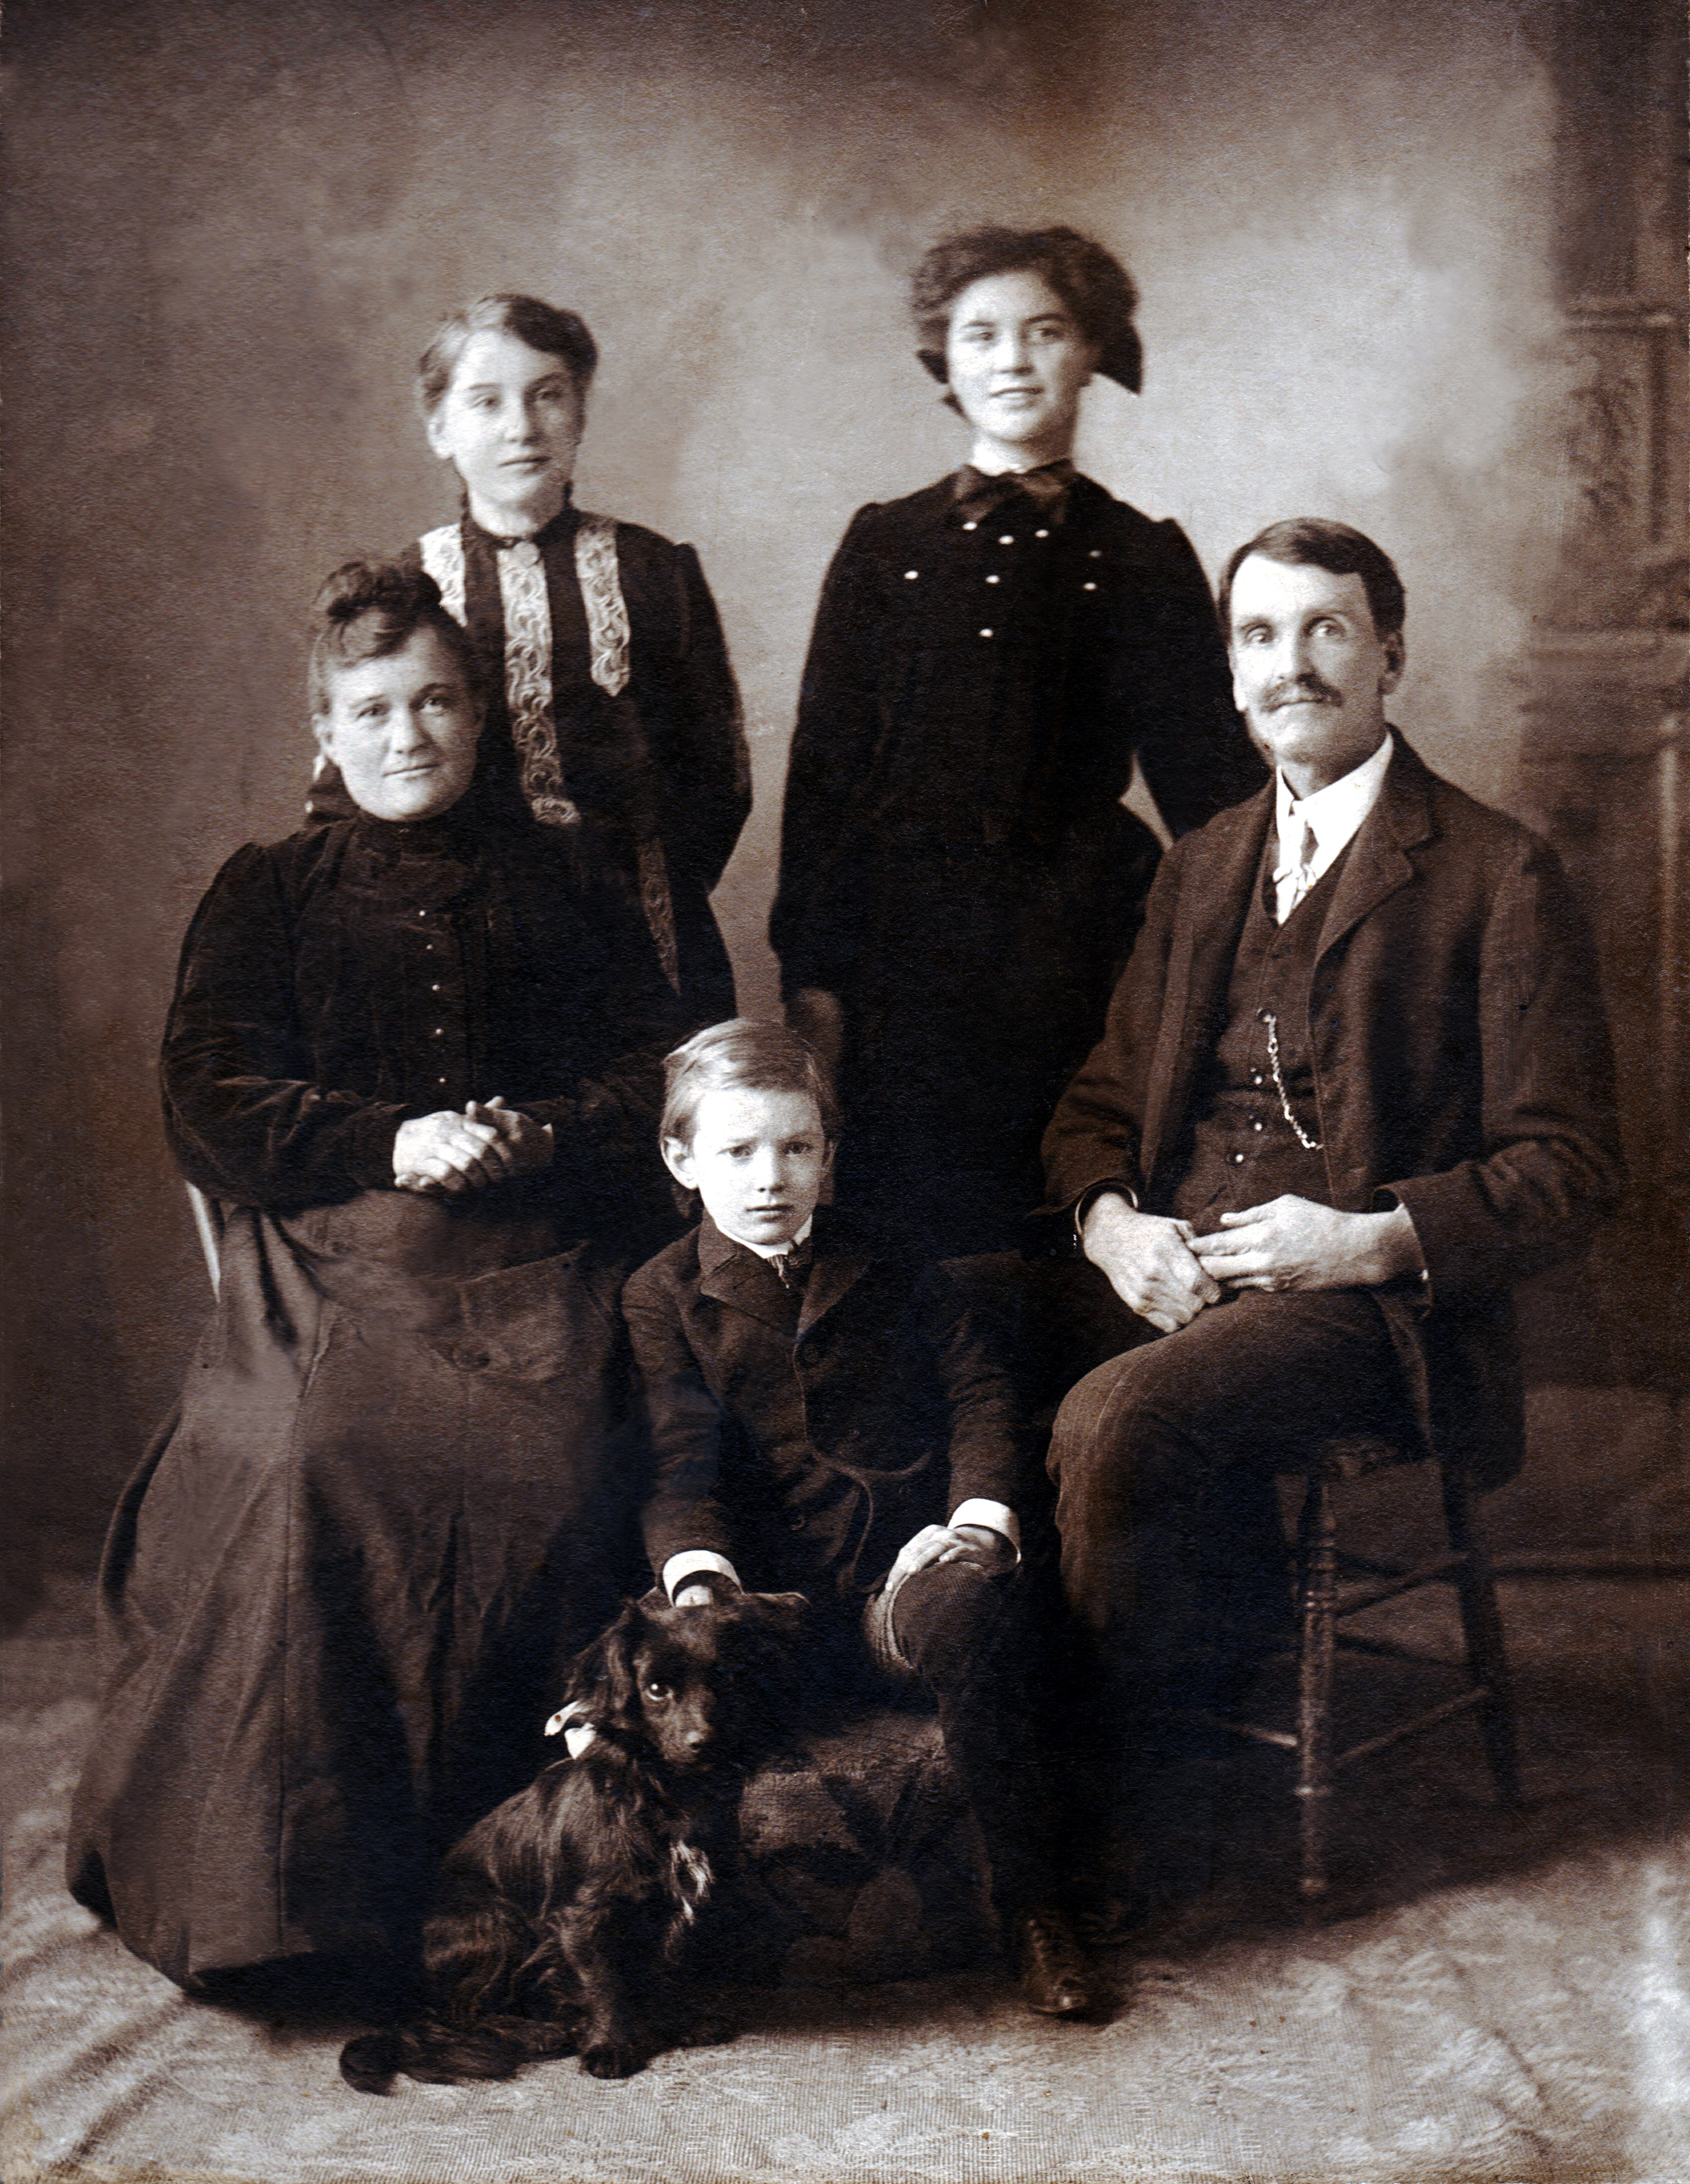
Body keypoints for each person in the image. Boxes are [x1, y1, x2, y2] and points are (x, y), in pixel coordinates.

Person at [68, 562, 686, 2002]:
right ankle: (295, 1901)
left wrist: (535, 1130)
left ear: (478, 716)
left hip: (540, 1253)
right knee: (315, 1461)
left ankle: (518, 1874)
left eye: (434, 702)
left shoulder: (567, 876)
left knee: (560, 1455)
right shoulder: (268, 889)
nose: (407, 734)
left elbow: (652, 1069)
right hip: (333, 1260)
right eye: (372, 709)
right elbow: (206, 1096)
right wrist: (387, 1138)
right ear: (324, 733)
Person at [1037, 517, 1625, 1889]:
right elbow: (1094, 1113)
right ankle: (974, 1771)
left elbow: (1568, 1167)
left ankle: (1089, 1842)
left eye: (1323, 629)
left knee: (1116, 1414)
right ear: (1228, 672)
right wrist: (1113, 1231)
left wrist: (1362, 1241)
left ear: (1388, 656)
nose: (1287, 664)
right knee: (935, 1326)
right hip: (1178, 1264)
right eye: (1256, 635)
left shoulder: (1495, 873)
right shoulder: (1199, 868)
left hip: (1371, 1313)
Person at [771, 225, 1264, 1255]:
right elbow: (823, 778)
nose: (1011, 359)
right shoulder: (884, 544)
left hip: (1077, 953)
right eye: (981, 334)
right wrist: (813, 981)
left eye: (1045, 332)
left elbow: (1212, 792)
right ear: (943, 361)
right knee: (905, 1231)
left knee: (1062, 1213)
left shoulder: (1140, 555)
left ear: (1092, 354)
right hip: (901, 957)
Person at [623, 1021, 1097, 2016]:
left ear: (828, 1154)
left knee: (971, 1610)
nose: (770, 1178)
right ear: (680, 1156)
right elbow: (680, 1467)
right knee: (653, 1669)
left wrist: (973, 1524)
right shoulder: (661, 1295)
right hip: (775, 1601)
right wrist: (703, 1581)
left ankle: (1034, 1909)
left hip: (899, 1577)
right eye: (738, 1151)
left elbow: (978, 1395)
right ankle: (684, 1935)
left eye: (797, 1148)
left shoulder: (892, 1258)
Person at [308, 294, 750, 1025]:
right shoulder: (407, 583)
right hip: (464, 942)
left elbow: (715, 776)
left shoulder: (654, 571)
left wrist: (648, 881)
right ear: (438, 428)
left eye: (548, 396)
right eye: (486, 402)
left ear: (579, 413)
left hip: (642, 931)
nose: (521, 429)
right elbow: (342, 789)